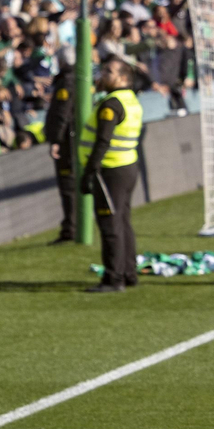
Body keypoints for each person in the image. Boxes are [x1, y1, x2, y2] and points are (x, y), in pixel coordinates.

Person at [80, 60, 143, 292]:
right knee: (123, 221)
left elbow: (103, 141)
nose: (103, 75)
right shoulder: (131, 100)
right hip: (127, 167)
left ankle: (113, 279)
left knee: (110, 224)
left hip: (111, 170)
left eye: (109, 72)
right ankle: (129, 272)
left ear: (123, 78)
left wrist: (89, 171)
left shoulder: (112, 104)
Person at [42, 68, 78, 245]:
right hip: (74, 139)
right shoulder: (78, 78)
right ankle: (72, 225)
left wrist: (56, 139)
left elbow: (62, 112)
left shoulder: (67, 82)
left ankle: (71, 228)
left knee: (68, 186)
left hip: (67, 142)